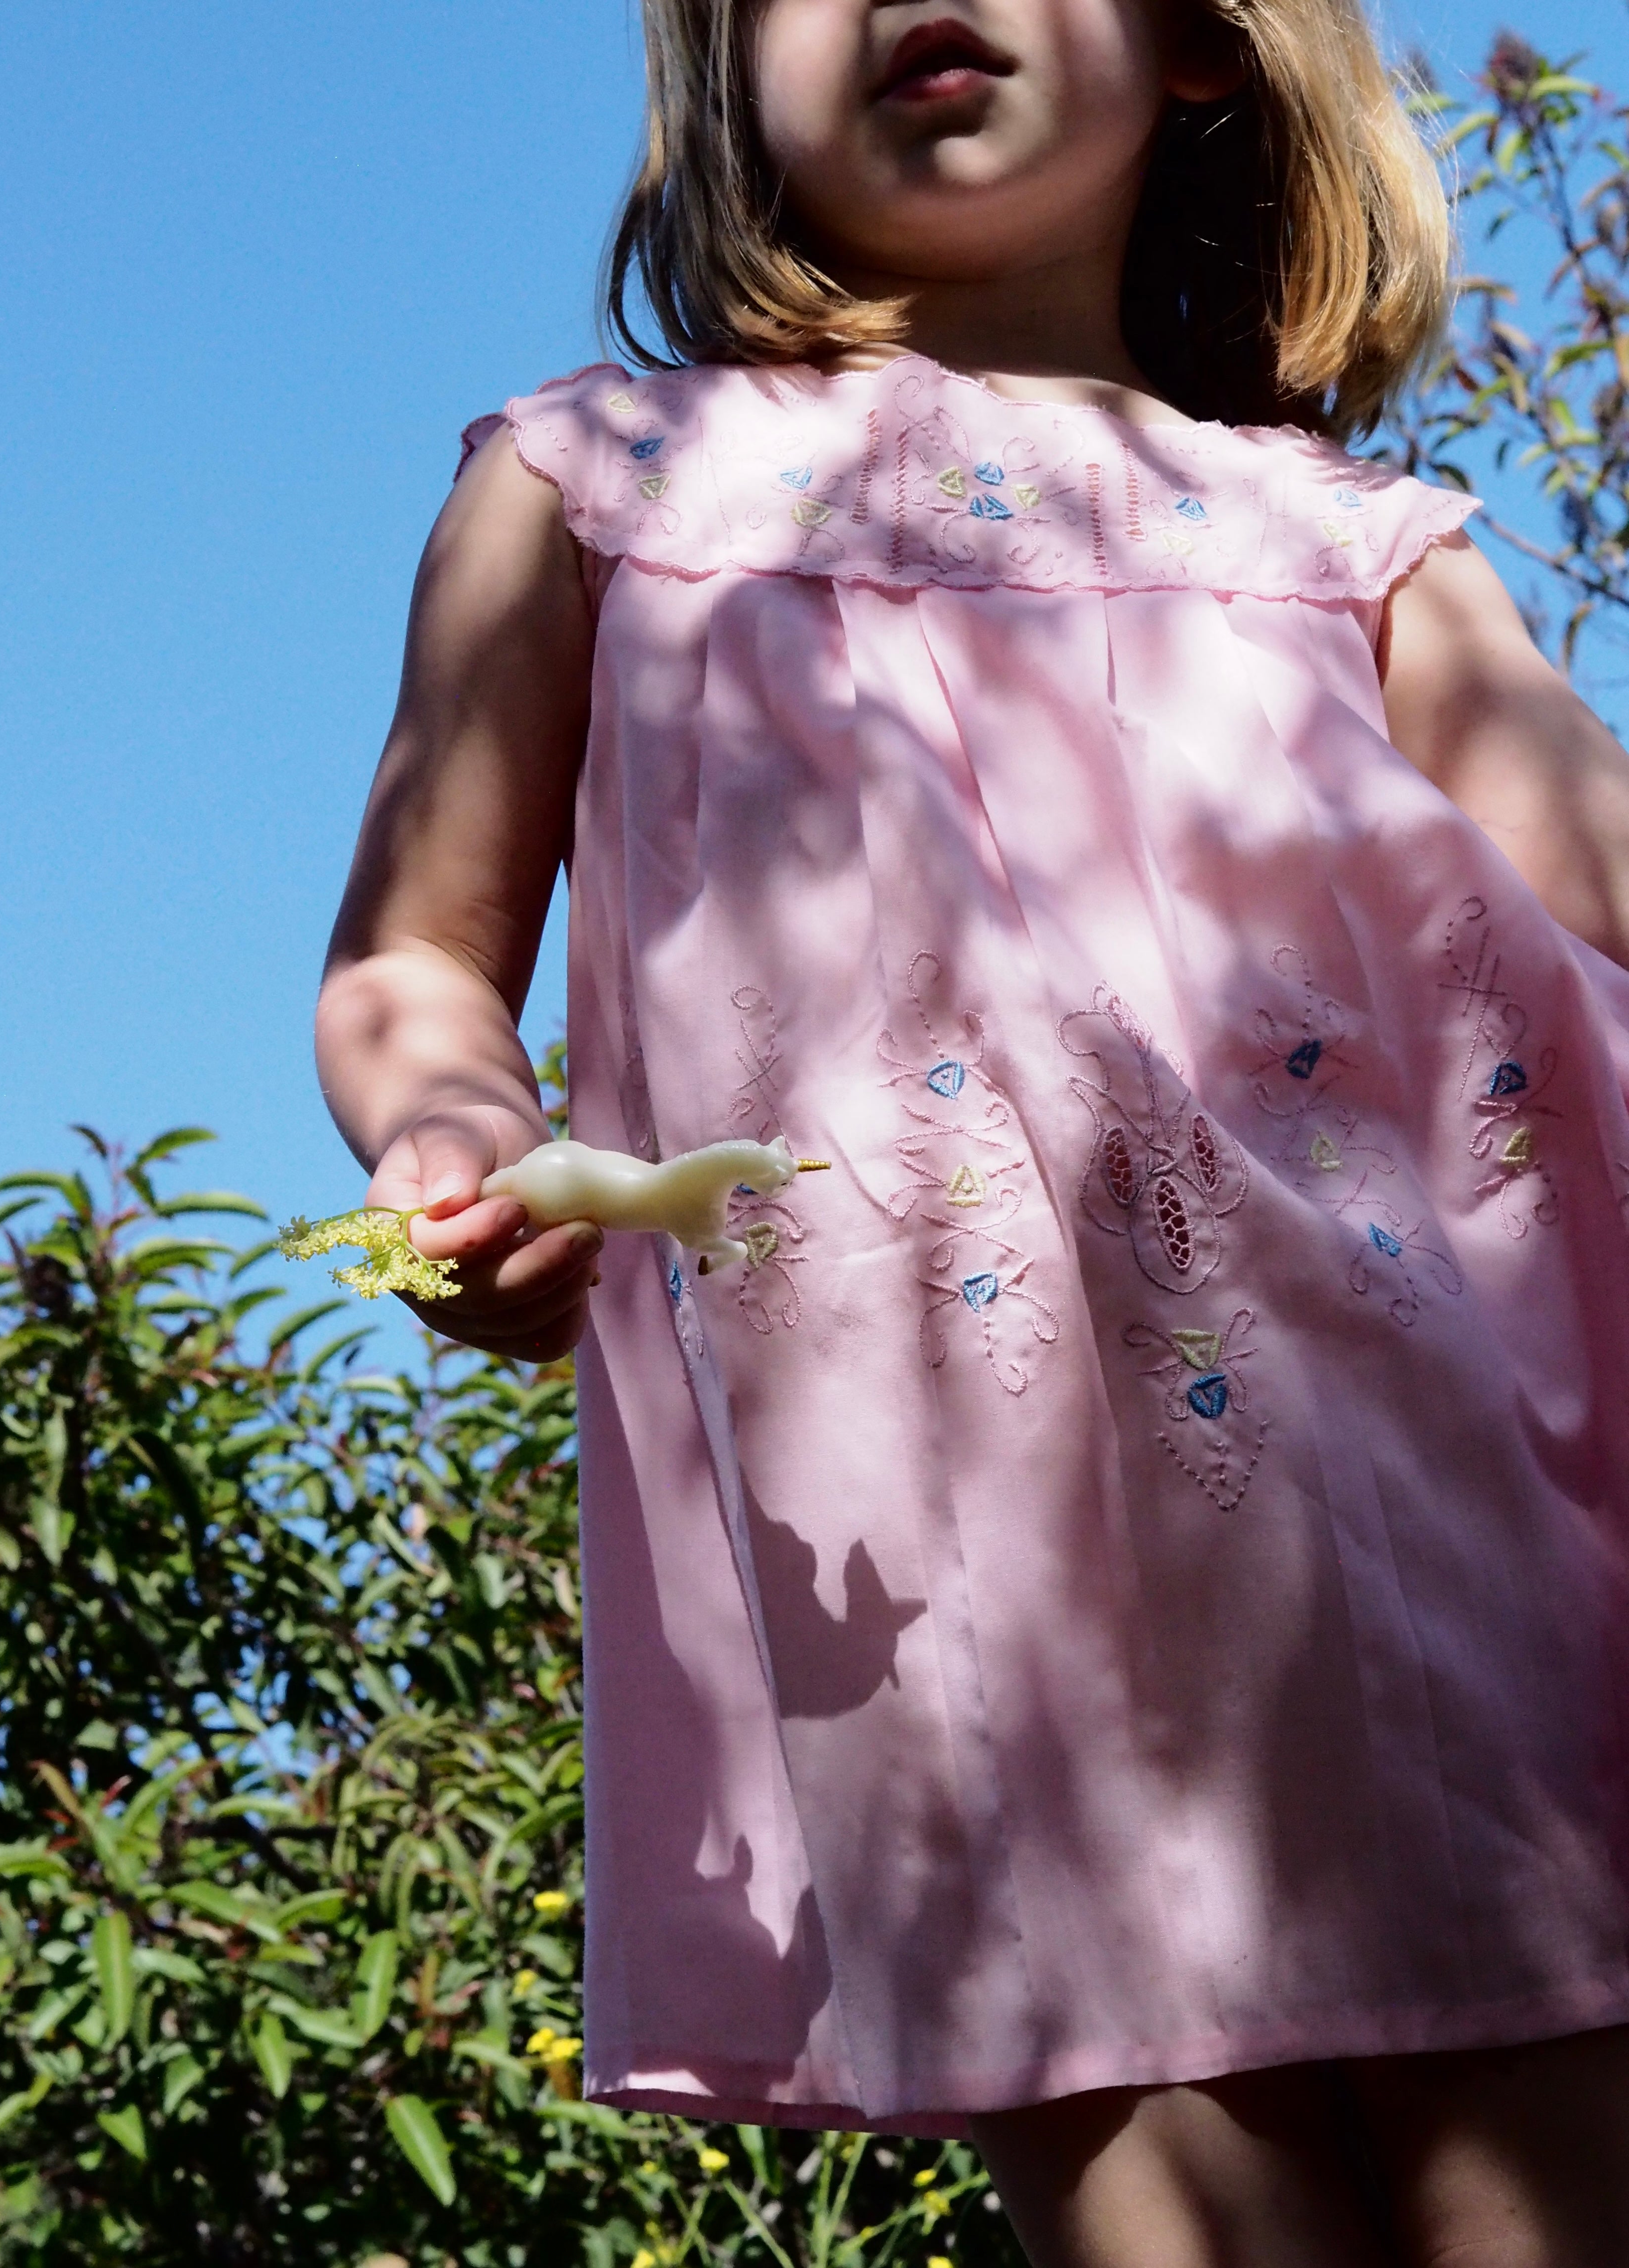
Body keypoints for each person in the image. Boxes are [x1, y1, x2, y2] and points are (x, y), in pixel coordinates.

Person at [314, 1, 1629, 2259]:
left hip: (1457, 1538)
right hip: (974, 1599)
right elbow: (418, 952)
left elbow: (1597, 907)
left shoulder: (1359, 541)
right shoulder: (600, 486)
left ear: (1204, 49)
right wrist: (452, 1134)